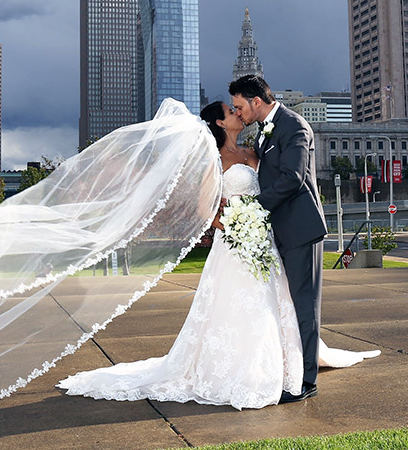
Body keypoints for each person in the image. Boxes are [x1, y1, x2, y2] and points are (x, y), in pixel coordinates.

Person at [57, 101, 380, 409]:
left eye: (237, 107)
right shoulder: (212, 160)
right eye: (231, 111)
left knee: (276, 299)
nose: (238, 113)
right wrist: (235, 226)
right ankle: (238, 366)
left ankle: (288, 359)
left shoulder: (254, 152)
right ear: (219, 122)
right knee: (237, 302)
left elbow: (272, 188)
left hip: (264, 240)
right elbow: (204, 209)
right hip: (235, 244)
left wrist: (257, 222)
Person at [229, 75, 327, 403]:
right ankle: (290, 371)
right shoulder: (264, 130)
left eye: (240, 106)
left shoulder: (294, 126)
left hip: (300, 230)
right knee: (286, 305)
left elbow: (293, 179)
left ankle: (306, 382)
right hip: (278, 231)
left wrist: (250, 210)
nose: (238, 112)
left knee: (304, 306)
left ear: (257, 101)